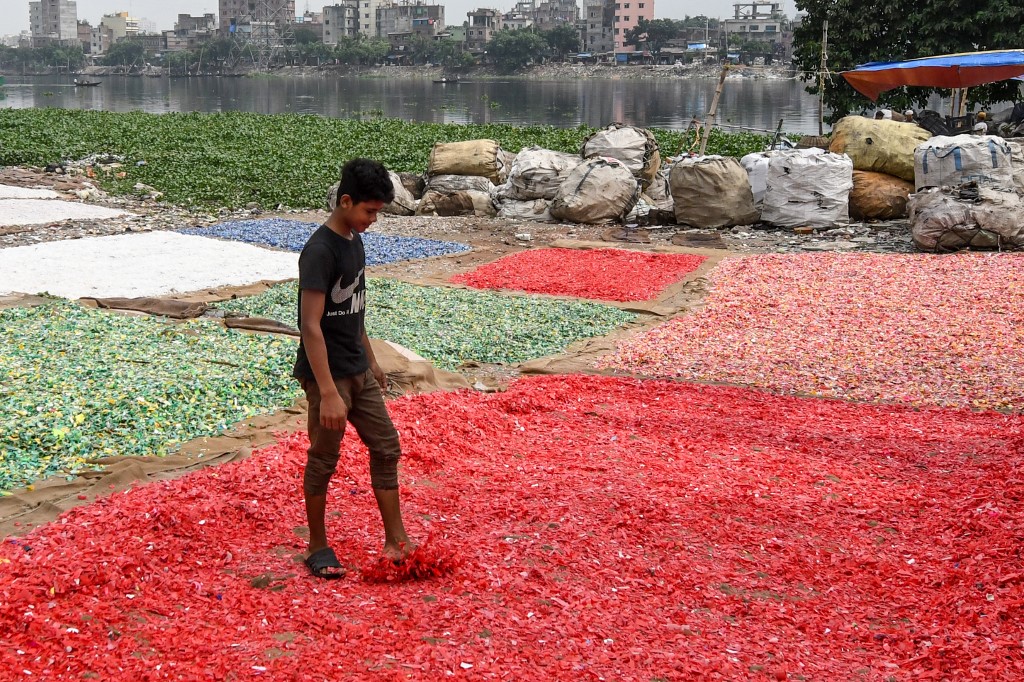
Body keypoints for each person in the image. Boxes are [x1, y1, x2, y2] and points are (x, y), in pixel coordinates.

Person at [293, 158, 414, 579]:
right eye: (369, 211)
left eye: (377, 212)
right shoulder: (320, 250)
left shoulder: (354, 240)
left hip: (358, 369)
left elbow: (354, 309)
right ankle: (317, 545)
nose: (373, 220)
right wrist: (326, 390)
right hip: (327, 373)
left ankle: (396, 540)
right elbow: (310, 325)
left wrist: (372, 358)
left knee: (386, 446)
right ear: (345, 201)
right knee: (324, 457)